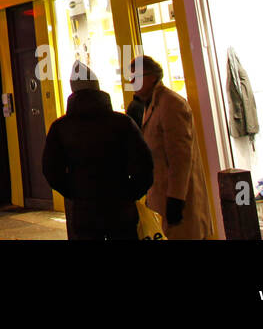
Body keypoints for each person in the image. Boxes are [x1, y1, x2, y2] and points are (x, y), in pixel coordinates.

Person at [41, 63, 154, 240]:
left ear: (73, 90)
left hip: (85, 214)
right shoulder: (122, 123)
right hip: (121, 210)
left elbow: (51, 170)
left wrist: (75, 192)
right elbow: (145, 165)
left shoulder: (61, 128)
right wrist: (130, 193)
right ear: (97, 87)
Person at [130, 55, 212, 239]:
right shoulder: (150, 104)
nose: (132, 81)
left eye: (137, 77)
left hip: (178, 201)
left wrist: (176, 199)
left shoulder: (170, 103)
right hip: (163, 198)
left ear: (151, 77)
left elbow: (180, 155)